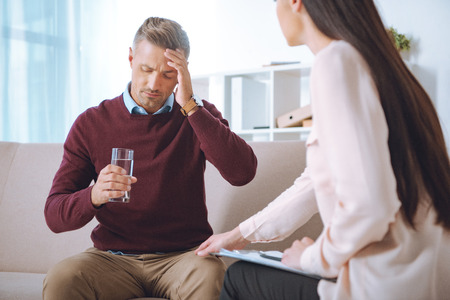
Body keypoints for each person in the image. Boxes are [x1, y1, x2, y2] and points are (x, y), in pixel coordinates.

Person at [196, 0, 450, 299]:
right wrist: (238, 236)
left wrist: (311, 256)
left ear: (295, 2)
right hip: (425, 278)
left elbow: (368, 206)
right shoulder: (384, 67)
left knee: (239, 278)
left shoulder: (336, 61)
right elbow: (314, 183)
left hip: (383, 286)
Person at [43, 17, 257, 300]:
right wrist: (93, 195)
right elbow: (54, 214)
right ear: (131, 58)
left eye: (168, 74)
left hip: (183, 258)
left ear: (183, 73)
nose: (154, 84)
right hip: (112, 259)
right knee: (62, 278)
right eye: (145, 69)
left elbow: (242, 173)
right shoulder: (92, 123)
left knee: (210, 274)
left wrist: (192, 106)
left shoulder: (197, 114)